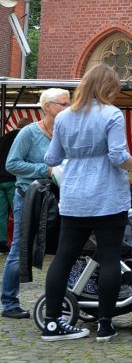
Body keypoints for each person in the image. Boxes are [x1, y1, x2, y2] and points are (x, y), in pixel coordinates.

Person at [42, 64, 132, 342]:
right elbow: (117, 156)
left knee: (63, 258)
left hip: (75, 197)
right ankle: (104, 325)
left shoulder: (64, 117)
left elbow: (51, 159)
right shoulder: (112, 114)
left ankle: (52, 322)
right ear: (108, 88)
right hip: (107, 197)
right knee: (110, 258)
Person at [2, 91, 70, 320]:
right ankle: (9, 302)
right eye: (63, 104)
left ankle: (66, 300)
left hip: (58, 198)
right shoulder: (29, 133)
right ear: (47, 106)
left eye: (69, 103)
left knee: (64, 248)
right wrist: (46, 170)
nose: (68, 107)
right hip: (29, 197)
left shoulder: (65, 132)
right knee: (20, 249)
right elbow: (12, 164)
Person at [0, 118, 32, 254]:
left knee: (1, 215)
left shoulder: (4, 137)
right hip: (13, 180)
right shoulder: (23, 138)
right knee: (19, 214)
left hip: (0, 180)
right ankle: (20, 245)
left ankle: (1, 245)